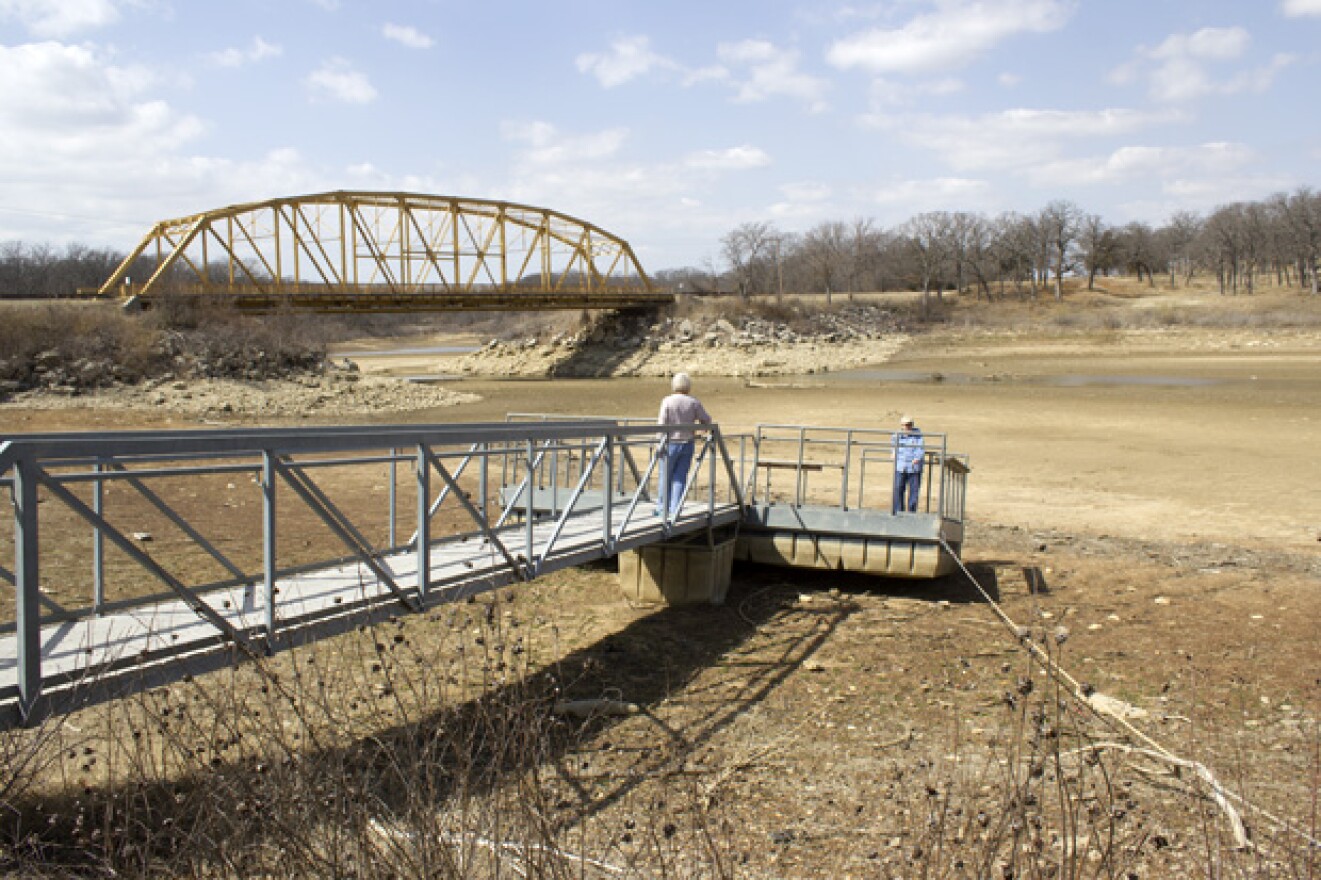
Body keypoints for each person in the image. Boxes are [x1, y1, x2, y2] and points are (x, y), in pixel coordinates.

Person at [655, 372, 712, 517]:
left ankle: (662, 508)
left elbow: (661, 424)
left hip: (670, 443)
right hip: (687, 443)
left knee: (665, 476)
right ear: (688, 386)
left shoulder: (667, 401)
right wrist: (703, 429)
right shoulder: (693, 402)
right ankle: (676, 508)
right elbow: (706, 419)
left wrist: (658, 443)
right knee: (680, 476)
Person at [892, 415, 925, 514]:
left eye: (909, 425)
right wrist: (894, 453)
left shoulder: (918, 435)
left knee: (914, 492)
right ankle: (898, 511)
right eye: (905, 425)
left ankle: (911, 512)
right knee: (898, 488)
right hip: (901, 467)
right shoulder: (896, 436)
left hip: (913, 468)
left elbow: (920, 449)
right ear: (901, 426)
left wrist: (917, 458)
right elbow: (894, 447)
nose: (907, 427)